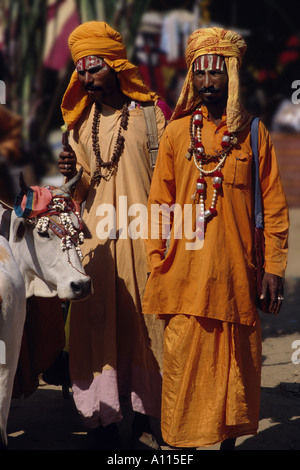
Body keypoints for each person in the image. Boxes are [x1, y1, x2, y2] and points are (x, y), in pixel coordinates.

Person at [142, 27, 289, 450]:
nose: (208, 83)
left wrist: (275, 268)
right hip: (184, 279)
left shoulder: (254, 135)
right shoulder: (176, 134)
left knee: (234, 374)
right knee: (183, 366)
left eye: (217, 73)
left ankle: (226, 444)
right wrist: (158, 264)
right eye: (200, 74)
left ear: (232, 75)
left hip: (237, 279)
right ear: (191, 77)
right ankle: (182, 448)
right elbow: (158, 209)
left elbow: (275, 208)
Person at [57, 21, 171, 449]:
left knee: (147, 331)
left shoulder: (153, 116)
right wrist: (71, 176)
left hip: (146, 245)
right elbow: (82, 193)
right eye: (81, 73)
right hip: (97, 249)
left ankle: (147, 419)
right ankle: (101, 421)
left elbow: (172, 182)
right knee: (94, 332)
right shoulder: (78, 123)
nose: (87, 80)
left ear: (117, 67)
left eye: (94, 70)